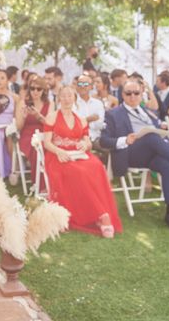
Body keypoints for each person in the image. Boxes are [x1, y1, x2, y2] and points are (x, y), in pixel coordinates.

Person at [100, 80, 169, 231]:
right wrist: (125, 139)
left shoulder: (147, 112)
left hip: (151, 153)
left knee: (167, 163)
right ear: (122, 95)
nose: (132, 96)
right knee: (150, 136)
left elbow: (159, 131)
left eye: (136, 93)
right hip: (129, 153)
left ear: (141, 95)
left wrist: (163, 131)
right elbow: (103, 141)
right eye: (128, 93)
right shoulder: (112, 114)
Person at [43, 85, 122, 238]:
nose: (66, 99)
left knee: (97, 166)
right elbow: (47, 143)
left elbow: (88, 142)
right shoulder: (52, 116)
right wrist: (60, 151)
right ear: (59, 98)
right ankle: (101, 214)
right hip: (57, 155)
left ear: (74, 98)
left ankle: (98, 212)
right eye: (63, 96)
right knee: (78, 172)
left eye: (69, 96)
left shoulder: (81, 119)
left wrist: (85, 145)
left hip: (78, 154)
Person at [16, 76, 53, 190]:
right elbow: (18, 127)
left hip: (45, 133)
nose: (35, 91)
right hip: (28, 135)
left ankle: (52, 181)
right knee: (37, 147)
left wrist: (39, 116)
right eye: (32, 88)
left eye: (39, 89)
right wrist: (24, 117)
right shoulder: (23, 103)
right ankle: (40, 185)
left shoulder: (49, 104)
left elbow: (50, 124)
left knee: (50, 147)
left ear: (44, 90)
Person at [0, 68, 18, 179]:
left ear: (7, 80)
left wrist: (13, 125)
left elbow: (16, 115)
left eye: (2, 78)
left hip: (9, 126)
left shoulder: (14, 97)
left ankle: (10, 169)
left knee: (8, 135)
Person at [75, 74, 105, 147]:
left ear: (91, 87)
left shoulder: (98, 103)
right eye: (80, 83)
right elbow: (73, 124)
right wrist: (89, 119)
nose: (82, 86)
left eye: (85, 84)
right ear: (76, 86)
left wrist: (84, 121)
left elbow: (100, 125)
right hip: (77, 139)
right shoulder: (72, 103)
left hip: (96, 138)